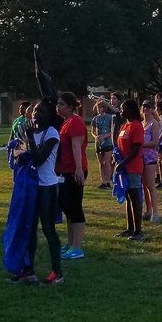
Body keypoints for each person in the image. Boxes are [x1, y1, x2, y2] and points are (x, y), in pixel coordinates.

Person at [24, 100, 64, 283]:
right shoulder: (33, 133)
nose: (35, 114)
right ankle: (28, 271)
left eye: (40, 111)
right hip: (32, 186)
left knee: (48, 229)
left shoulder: (52, 133)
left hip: (47, 186)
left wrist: (30, 137)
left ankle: (57, 272)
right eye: (34, 111)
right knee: (29, 229)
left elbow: (39, 159)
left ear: (49, 115)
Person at [55, 92, 88, 260]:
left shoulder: (75, 122)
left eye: (61, 104)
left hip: (74, 170)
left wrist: (78, 169)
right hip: (64, 170)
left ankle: (77, 247)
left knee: (74, 207)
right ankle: (70, 243)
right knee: (67, 207)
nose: (58, 107)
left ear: (70, 106)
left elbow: (76, 147)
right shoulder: (65, 122)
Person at [115, 98, 145, 240]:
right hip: (124, 168)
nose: (121, 110)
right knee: (127, 198)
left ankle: (138, 231)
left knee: (134, 198)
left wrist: (124, 163)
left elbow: (136, 148)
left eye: (123, 108)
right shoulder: (123, 126)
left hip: (132, 167)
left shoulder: (136, 126)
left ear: (131, 110)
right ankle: (130, 228)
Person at [140, 99, 162, 223]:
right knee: (144, 185)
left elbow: (155, 142)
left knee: (150, 185)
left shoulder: (153, 123)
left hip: (150, 157)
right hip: (141, 157)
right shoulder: (141, 123)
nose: (146, 109)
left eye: (148, 107)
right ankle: (148, 210)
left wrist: (142, 144)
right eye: (144, 107)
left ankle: (155, 212)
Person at [91, 99, 115, 188]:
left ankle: (108, 181)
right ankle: (103, 181)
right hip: (98, 143)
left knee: (106, 162)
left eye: (100, 107)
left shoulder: (109, 117)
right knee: (101, 163)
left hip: (108, 142)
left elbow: (112, 131)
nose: (99, 109)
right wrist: (96, 137)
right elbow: (93, 131)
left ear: (104, 108)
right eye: (98, 107)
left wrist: (105, 136)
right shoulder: (95, 119)